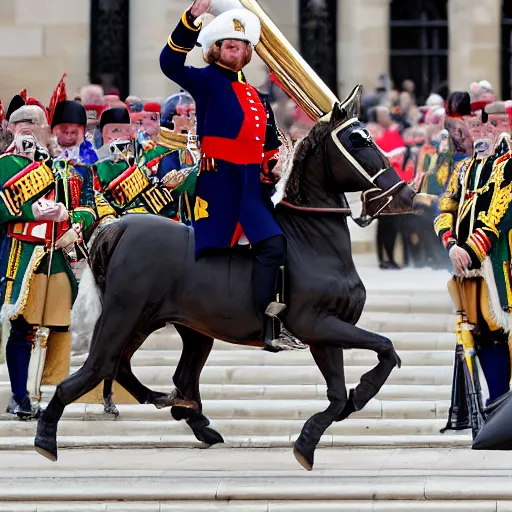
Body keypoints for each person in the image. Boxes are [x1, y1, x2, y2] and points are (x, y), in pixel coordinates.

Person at [160, 0, 287, 351]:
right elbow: (169, 62)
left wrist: (271, 162)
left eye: (243, 45)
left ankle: (266, 322)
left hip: (251, 185)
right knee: (214, 255)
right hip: (222, 182)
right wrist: (191, 20)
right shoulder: (205, 81)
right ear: (214, 50)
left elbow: (270, 142)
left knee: (275, 246)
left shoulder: (257, 96)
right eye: (229, 43)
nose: (237, 48)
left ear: (248, 54)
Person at [0, 101, 99, 419]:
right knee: (22, 326)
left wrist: (71, 219)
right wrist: (32, 211)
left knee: (59, 325)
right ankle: (20, 396)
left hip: (57, 253)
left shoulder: (61, 167)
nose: (27, 127)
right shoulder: (4, 165)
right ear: (10, 129)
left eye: (34, 122)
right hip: (20, 252)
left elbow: (89, 204)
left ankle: (47, 391)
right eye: (21, 123)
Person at [435, 96, 512, 429]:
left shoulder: (508, 164)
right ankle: (497, 407)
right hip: (467, 267)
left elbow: (501, 214)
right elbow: (444, 209)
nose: (480, 132)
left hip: (500, 265)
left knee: (505, 332)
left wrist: (471, 248)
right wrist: (452, 245)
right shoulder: (463, 168)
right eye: (477, 125)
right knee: (481, 335)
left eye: (489, 125)